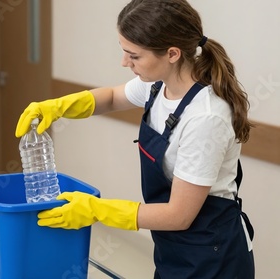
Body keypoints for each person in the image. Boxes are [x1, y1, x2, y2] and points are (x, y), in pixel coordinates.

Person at [15, 0, 255, 278]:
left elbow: (179, 215)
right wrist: (58, 107)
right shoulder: (159, 84)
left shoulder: (205, 117)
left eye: (134, 56)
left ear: (172, 53)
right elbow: (114, 97)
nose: (124, 62)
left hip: (213, 255)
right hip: (176, 246)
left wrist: (97, 210)